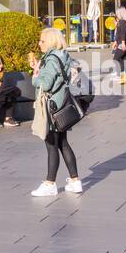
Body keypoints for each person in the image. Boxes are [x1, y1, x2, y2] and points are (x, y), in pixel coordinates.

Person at [29, 27, 82, 197]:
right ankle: (75, 181)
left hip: (52, 107)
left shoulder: (51, 59)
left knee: (51, 145)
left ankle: (50, 183)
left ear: (50, 41)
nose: (39, 43)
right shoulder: (63, 55)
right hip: (62, 105)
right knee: (63, 143)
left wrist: (35, 75)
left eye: (42, 41)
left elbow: (46, 84)